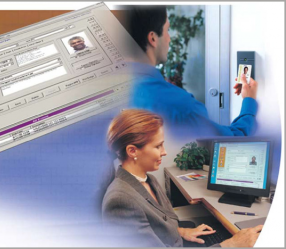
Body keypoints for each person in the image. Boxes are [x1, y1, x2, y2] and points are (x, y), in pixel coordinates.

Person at [102, 109, 263, 247]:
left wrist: (182, 231)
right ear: (132, 151)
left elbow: (158, 224)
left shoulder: (148, 179)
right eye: (158, 146)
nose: (164, 152)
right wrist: (230, 245)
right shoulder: (120, 201)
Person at [122, 6, 258, 137]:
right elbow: (231, 141)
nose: (169, 38)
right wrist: (249, 101)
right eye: (167, 30)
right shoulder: (182, 106)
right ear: (153, 38)